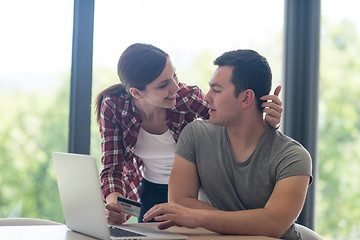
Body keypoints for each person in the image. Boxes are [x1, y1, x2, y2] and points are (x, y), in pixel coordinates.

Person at [94, 43, 283, 225]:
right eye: (163, 85)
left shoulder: (186, 98)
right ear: (136, 93)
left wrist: (266, 124)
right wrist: (114, 203)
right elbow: (113, 167)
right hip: (150, 188)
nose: (175, 87)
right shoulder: (114, 106)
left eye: (174, 75)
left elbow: (232, 126)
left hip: (194, 191)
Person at [142, 49, 313, 240]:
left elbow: (273, 224)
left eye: (216, 90)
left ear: (246, 98)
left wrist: (198, 216)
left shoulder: (293, 156)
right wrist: (252, 221)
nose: (206, 98)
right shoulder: (195, 135)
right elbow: (180, 204)